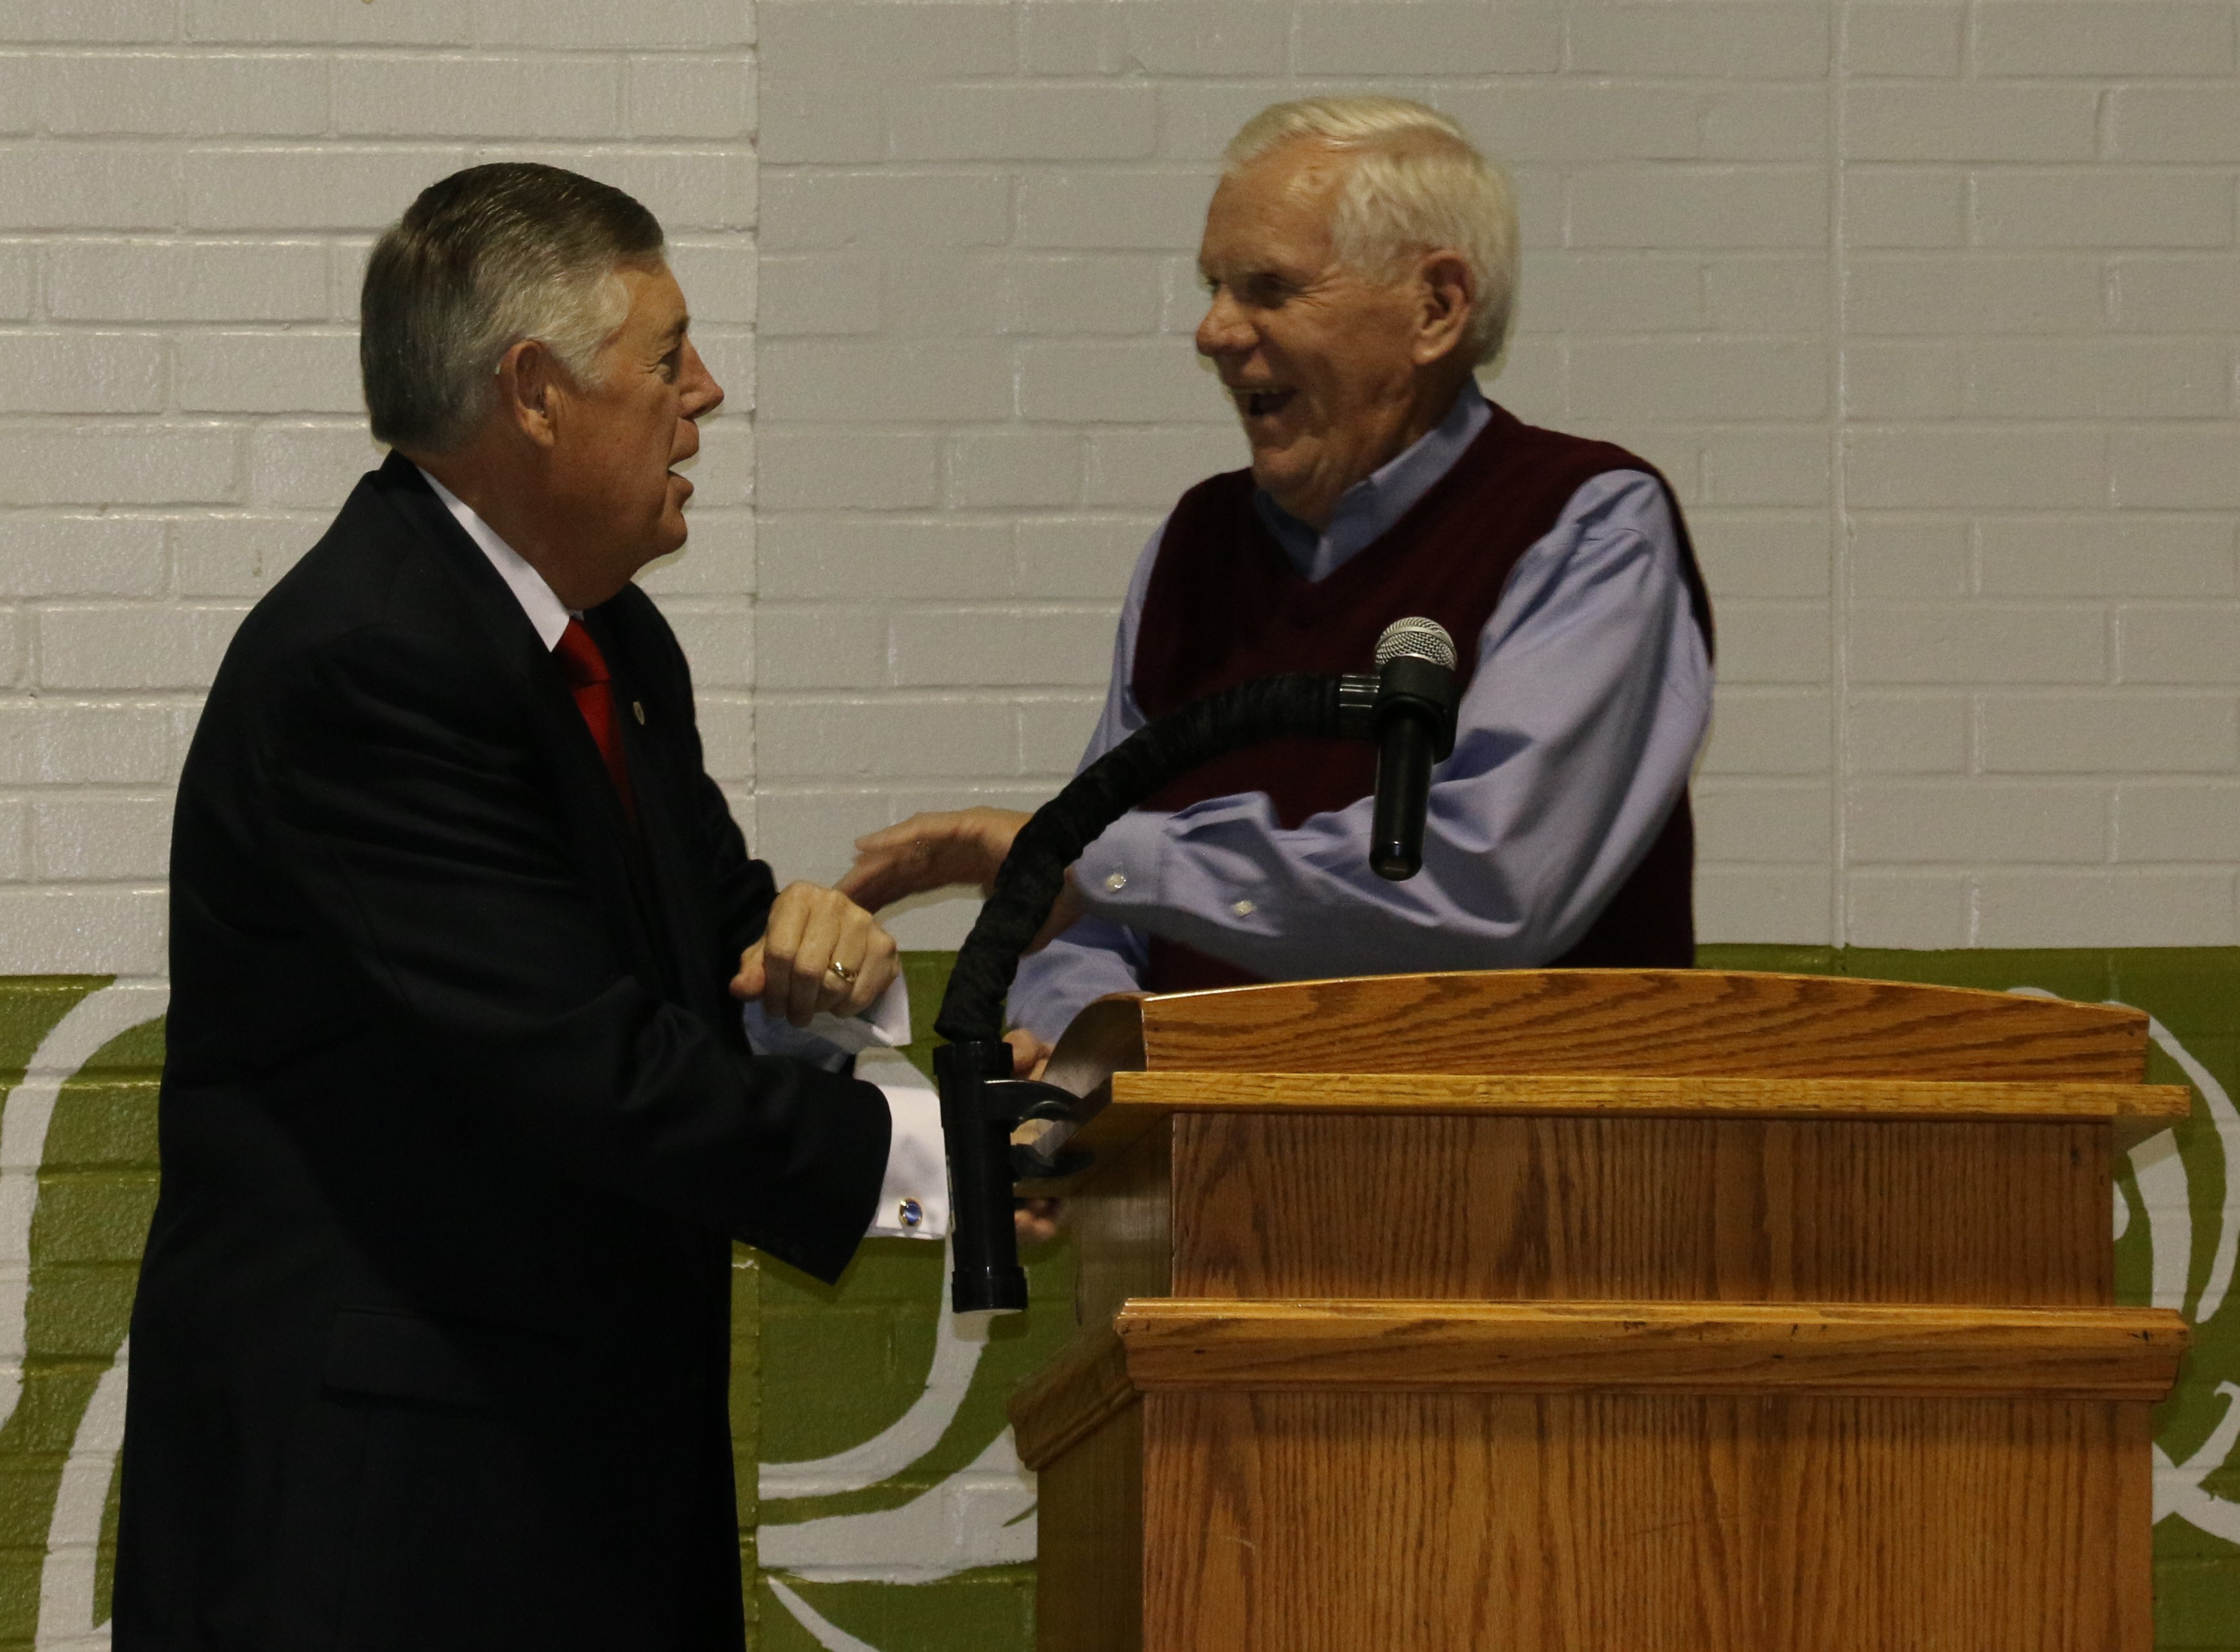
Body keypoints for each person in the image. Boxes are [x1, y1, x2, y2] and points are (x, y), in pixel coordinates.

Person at [115, 163, 941, 1651]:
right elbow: (589, 1070)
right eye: (668, 353)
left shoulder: (614, 645)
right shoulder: (367, 662)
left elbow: (718, 963)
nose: (709, 392)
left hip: (561, 1500)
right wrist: (949, 1172)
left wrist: (816, 971)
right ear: (538, 391)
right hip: (383, 1532)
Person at [843, 98, 1714, 1076]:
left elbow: (1488, 885)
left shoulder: (1584, 525)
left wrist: (1096, 867)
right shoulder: (1196, 546)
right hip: (1222, 1194)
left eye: (1269, 289)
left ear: (1437, 308)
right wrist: (1076, 1058)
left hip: (1537, 1197)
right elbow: (1101, 915)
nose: (1214, 333)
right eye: (1215, 287)